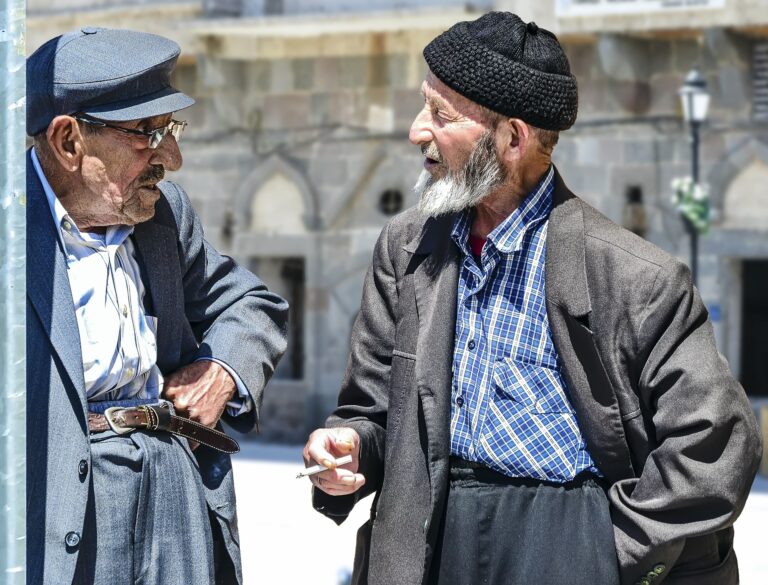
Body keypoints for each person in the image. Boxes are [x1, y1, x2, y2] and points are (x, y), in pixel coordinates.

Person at [303, 12, 761, 585]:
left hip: (566, 535)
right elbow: (370, 410)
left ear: (512, 138)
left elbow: (714, 440)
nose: (418, 130)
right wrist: (348, 448)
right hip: (432, 537)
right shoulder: (407, 247)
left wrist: (606, 550)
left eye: (441, 114)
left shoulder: (638, 278)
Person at [26, 27, 288, 585]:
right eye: (147, 134)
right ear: (69, 141)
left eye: (170, 130)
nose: (172, 157)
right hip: (58, 508)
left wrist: (222, 371)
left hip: (173, 491)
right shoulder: (11, 237)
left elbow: (250, 302)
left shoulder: (161, 215)